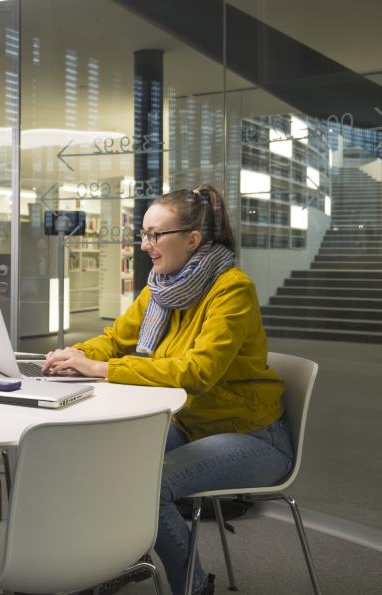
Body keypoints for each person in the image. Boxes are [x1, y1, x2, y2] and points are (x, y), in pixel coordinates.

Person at [43, 185, 293, 595]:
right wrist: (74, 354)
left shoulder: (232, 289)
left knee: (149, 486)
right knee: (101, 465)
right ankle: (100, 568)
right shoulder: (161, 288)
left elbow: (197, 372)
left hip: (251, 436)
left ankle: (194, 587)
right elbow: (116, 338)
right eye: (143, 234)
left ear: (192, 240)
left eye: (155, 235)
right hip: (193, 425)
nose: (145, 246)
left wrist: (103, 369)